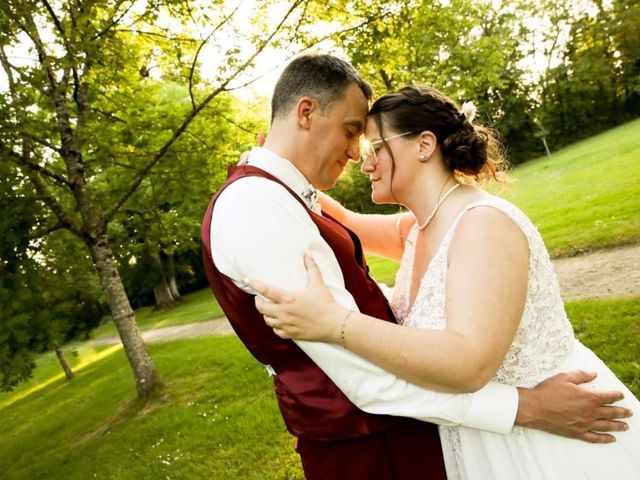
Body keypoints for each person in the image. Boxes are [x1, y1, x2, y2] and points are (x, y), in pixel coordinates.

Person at [201, 55, 631, 479]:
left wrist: (337, 322)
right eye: (354, 135)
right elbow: (340, 224)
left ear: (425, 145)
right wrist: (270, 166)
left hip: (545, 432)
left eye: (373, 146)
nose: (359, 158)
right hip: (470, 432)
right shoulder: (411, 228)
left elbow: (465, 360)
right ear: (307, 112)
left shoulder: (480, 224)